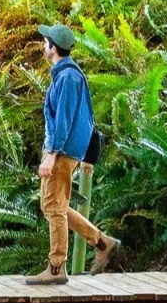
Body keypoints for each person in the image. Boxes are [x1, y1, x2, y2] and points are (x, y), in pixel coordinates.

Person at [30, 23, 119, 285]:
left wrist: (51, 154)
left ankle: (57, 268)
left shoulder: (68, 78)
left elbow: (64, 121)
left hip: (62, 152)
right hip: (67, 151)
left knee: (54, 209)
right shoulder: (67, 74)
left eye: (45, 41)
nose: (43, 45)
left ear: (53, 47)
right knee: (53, 206)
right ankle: (102, 242)